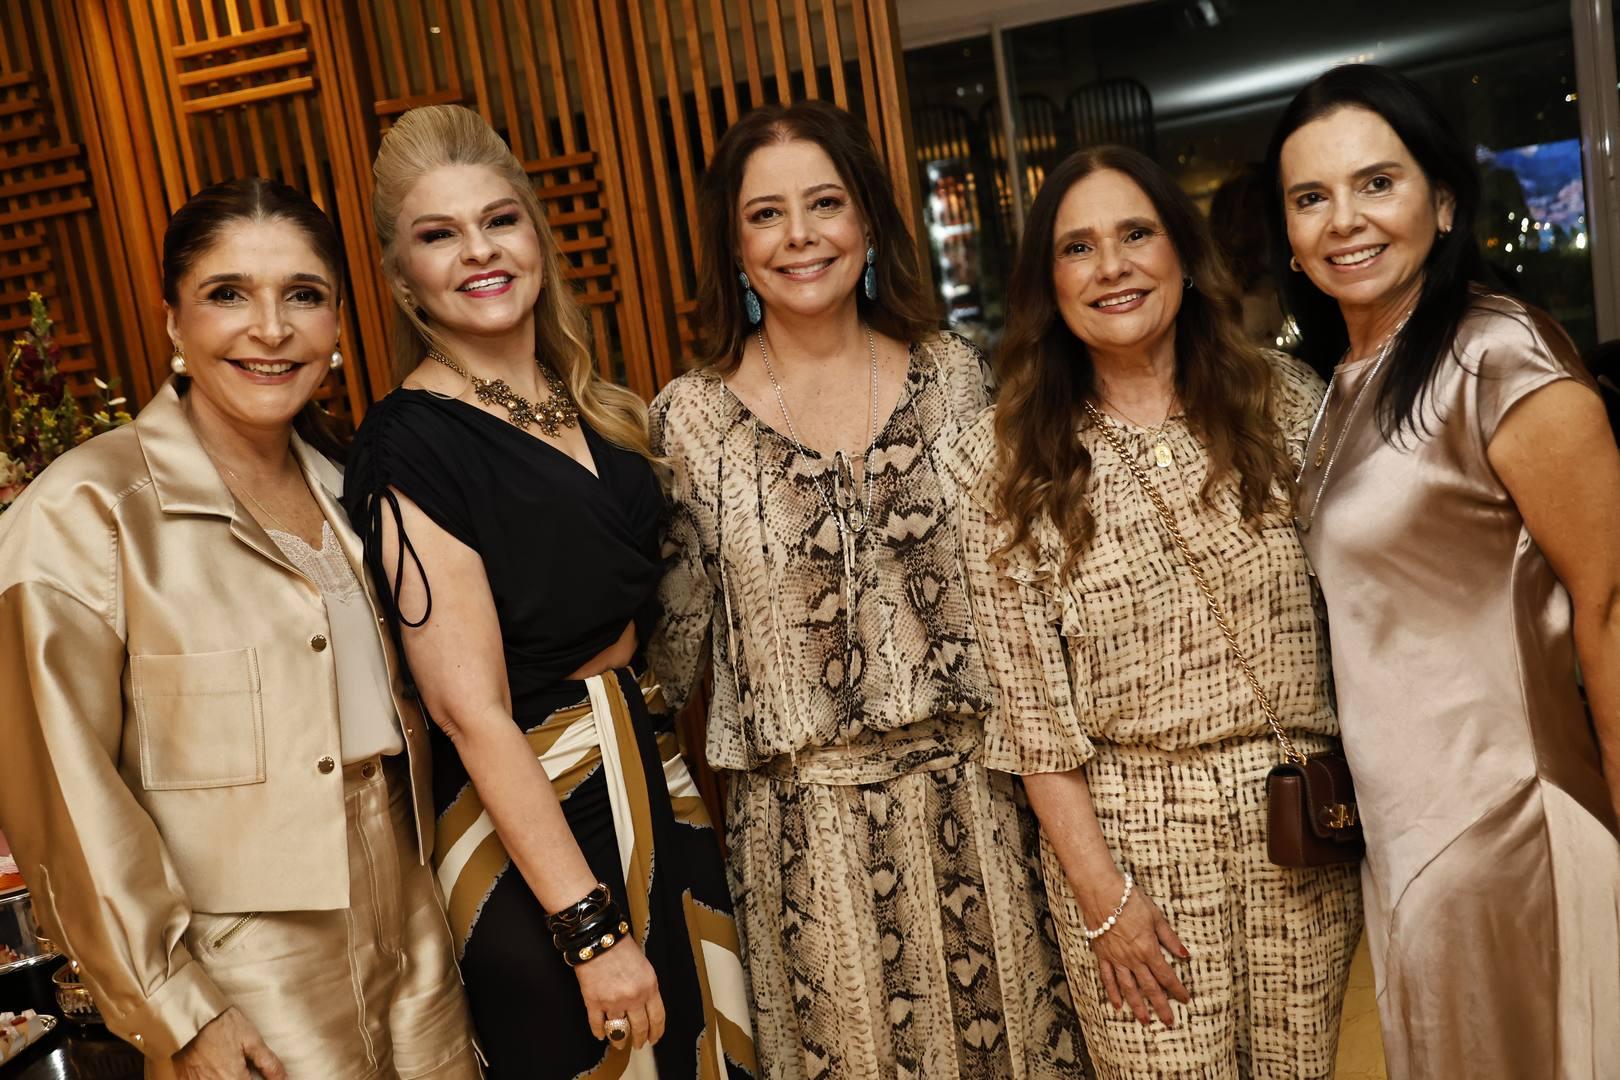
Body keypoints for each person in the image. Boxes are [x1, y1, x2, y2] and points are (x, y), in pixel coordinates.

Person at [0, 178, 481, 1079]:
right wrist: (178, 1010)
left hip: (416, 923)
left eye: (303, 294)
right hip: (242, 969)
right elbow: (66, 796)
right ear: (174, 322)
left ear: (337, 326)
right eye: (228, 294)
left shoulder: (356, 484)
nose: (270, 328)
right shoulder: (85, 514)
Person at [648, 99, 1084, 1080]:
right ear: (733, 247)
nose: (799, 236)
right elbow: (669, 659)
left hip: (988, 813)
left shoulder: (955, 378)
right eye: (765, 215)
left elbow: (1028, 600)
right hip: (808, 849)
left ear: (870, 222)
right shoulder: (687, 423)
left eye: (825, 203)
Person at [343, 104, 754, 1079]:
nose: (480, 251)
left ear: (535, 235)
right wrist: (587, 929)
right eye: (439, 236)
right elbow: (468, 710)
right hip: (537, 827)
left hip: (655, 776)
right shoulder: (407, 443)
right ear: (401, 277)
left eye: (500, 220)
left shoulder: (593, 405)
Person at [949, 146, 1362, 1079]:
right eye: (1078, 247)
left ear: (1182, 251)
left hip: (1300, 826)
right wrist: (1104, 901)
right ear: (1048, 284)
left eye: (1136, 234)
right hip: (1130, 839)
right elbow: (1032, 719)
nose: (1112, 266)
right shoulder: (1002, 457)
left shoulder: (1285, 403)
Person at [1267, 63, 1620, 1078]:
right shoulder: (1340, 380)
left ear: (1446, 201)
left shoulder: (1497, 356)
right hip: (1404, 832)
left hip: (1505, 821)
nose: (1345, 219)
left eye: (1378, 183)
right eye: (1311, 196)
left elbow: (1606, 607)